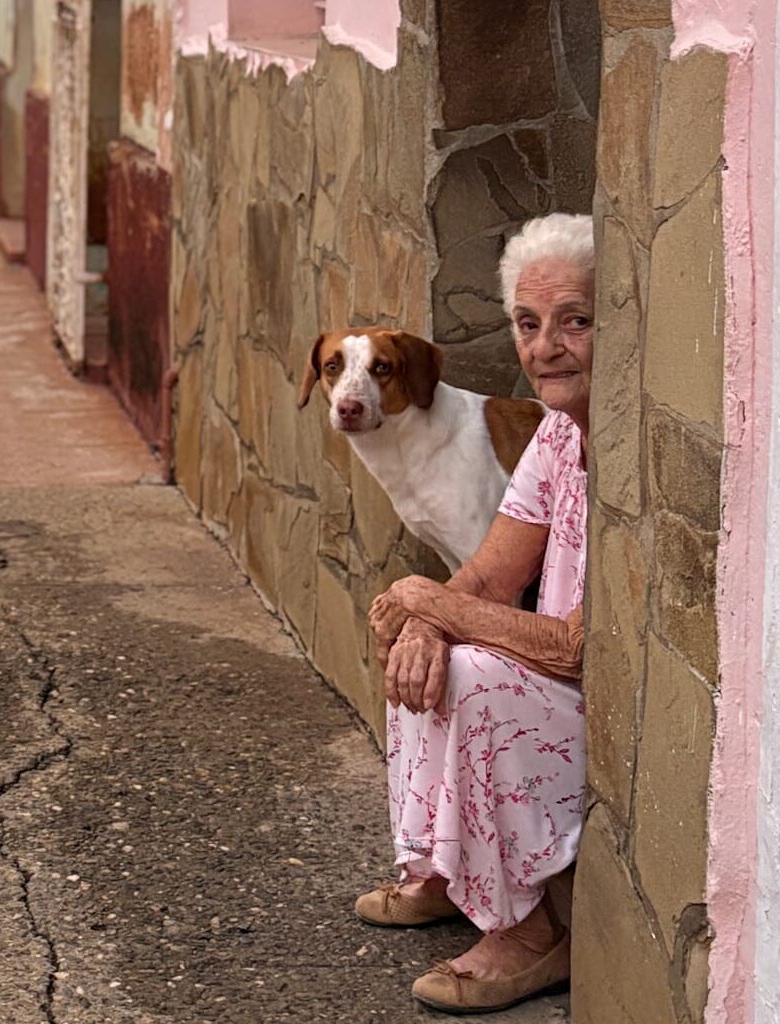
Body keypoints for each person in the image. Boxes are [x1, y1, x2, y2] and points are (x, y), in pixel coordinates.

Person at [359, 212, 594, 1014]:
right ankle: (444, 870)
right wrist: (425, 618)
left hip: (607, 705)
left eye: (576, 322)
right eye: (529, 324)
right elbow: (492, 576)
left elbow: (575, 648)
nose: (546, 346)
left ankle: (530, 931)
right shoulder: (557, 435)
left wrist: (433, 604)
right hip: (560, 679)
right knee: (418, 647)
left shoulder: (626, 442)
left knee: (474, 677)